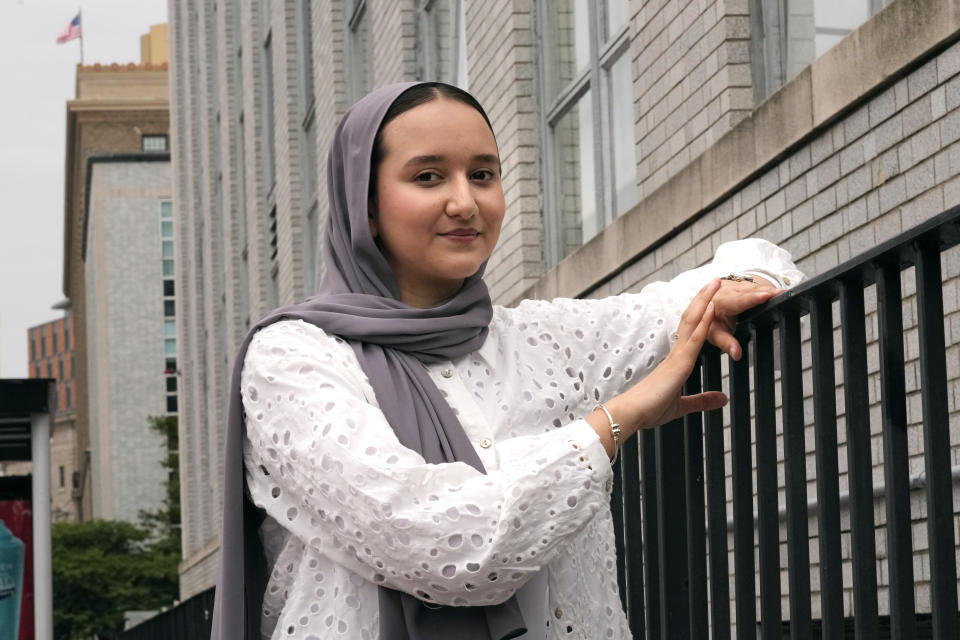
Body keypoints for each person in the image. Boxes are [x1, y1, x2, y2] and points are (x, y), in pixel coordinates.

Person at [210, 81, 804, 640]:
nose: (464, 202)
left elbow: (755, 265)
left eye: (483, 174)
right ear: (364, 206)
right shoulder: (295, 358)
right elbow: (432, 540)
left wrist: (737, 285)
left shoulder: (539, 339)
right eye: (428, 176)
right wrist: (612, 424)